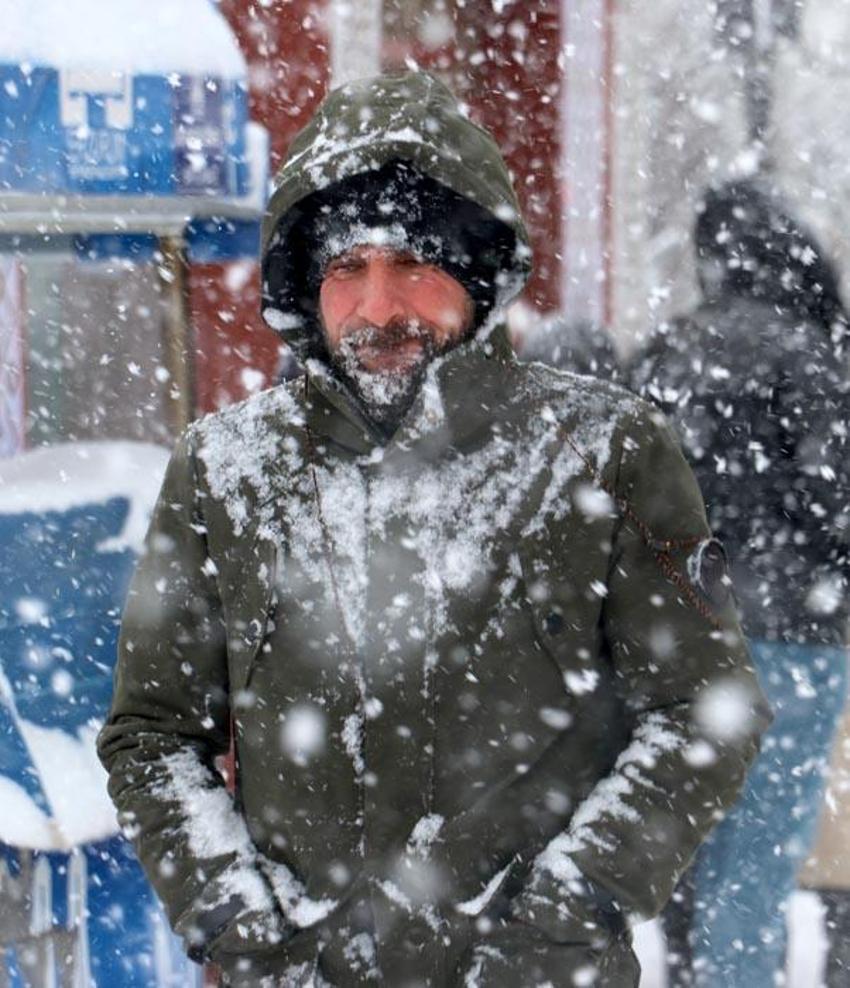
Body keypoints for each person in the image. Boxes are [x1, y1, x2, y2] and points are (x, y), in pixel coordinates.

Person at [97, 72, 769, 988]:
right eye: (347, 270)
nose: (379, 309)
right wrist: (236, 919)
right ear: (308, 287)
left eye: (413, 262)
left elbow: (705, 711)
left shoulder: (608, 453)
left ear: (476, 272)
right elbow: (151, 734)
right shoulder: (223, 471)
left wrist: (569, 913)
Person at [632, 178, 850, 986]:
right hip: (793, 639)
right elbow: (838, 504)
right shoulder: (813, 360)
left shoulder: (665, 353)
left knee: (697, 858)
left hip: (681, 642)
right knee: (758, 867)